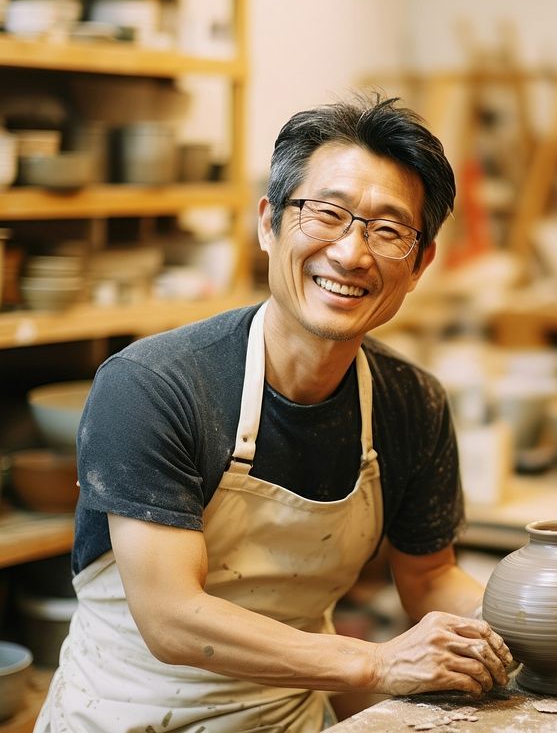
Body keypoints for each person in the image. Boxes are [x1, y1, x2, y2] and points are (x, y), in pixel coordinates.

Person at [36, 92, 512, 733]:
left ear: (421, 262)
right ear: (268, 224)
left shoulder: (409, 402)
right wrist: (375, 664)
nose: (350, 254)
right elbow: (171, 617)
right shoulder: (154, 387)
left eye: (389, 230)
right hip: (128, 716)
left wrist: (527, 622)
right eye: (326, 214)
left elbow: (428, 579)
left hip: (290, 716)